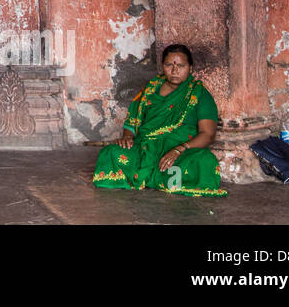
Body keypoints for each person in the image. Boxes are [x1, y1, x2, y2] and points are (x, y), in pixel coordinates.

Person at [92, 43, 226, 197]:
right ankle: (159, 179)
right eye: (169, 65)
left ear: (190, 68)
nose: (174, 70)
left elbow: (207, 134)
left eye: (181, 66)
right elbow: (133, 120)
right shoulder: (151, 89)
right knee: (110, 153)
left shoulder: (200, 95)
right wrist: (128, 136)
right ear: (163, 66)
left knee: (204, 161)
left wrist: (178, 150)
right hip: (145, 149)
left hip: (179, 153)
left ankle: (150, 177)